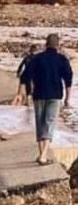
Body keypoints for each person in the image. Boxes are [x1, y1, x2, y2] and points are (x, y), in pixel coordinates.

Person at [24, 34, 72, 166]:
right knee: (49, 123)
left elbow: (26, 75)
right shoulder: (62, 59)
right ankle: (44, 155)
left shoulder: (37, 58)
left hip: (38, 95)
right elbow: (68, 79)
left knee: (40, 123)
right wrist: (68, 98)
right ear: (58, 45)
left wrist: (25, 91)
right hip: (55, 95)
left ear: (46, 44)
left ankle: (42, 154)